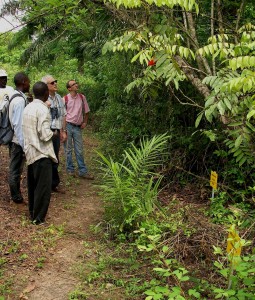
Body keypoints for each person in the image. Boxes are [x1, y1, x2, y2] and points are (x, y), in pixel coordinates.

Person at [22, 81, 57, 225]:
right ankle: (38, 219)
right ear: (46, 94)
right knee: (43, 188)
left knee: (33, 186)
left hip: (31, 152)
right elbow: (44, 134)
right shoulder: (43, 110)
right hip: (42, 153)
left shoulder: (28, 107)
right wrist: (53, 133)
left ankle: (33, 213)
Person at [41, 75, 67, 192]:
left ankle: (53, 184)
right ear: (46, 86)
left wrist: (63, 131)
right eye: (52, 82)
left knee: (55, 157)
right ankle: (44, 183)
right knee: (45, 157)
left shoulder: (59, 98)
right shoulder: (42, 100)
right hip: (46, 132)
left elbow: (63, 115)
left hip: (56, 132)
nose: (55, 83)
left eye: (56, 81)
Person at [64, 80, 94, 179]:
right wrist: (63, 129)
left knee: (79, 149)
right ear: (69, 88)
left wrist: (85, 122)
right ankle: (70, 169)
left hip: (77, 127)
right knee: (68, 149)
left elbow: (87, 111)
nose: (76, 85)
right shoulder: (64, 99)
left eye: (76, 83)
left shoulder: (82, 97)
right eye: (73, 84)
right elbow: (62, 115)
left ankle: (82, 171)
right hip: (68, 125)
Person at [8, 72, 30, 204]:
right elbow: (18, 125)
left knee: (16, 169)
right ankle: (16, 196)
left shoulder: (17, 97)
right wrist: (23, 145)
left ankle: (16, 194)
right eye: (28, 81)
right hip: (18, 141)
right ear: (22, 82)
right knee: (15, 170)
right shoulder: (19, 101)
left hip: (16, 140)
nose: (29, 84)